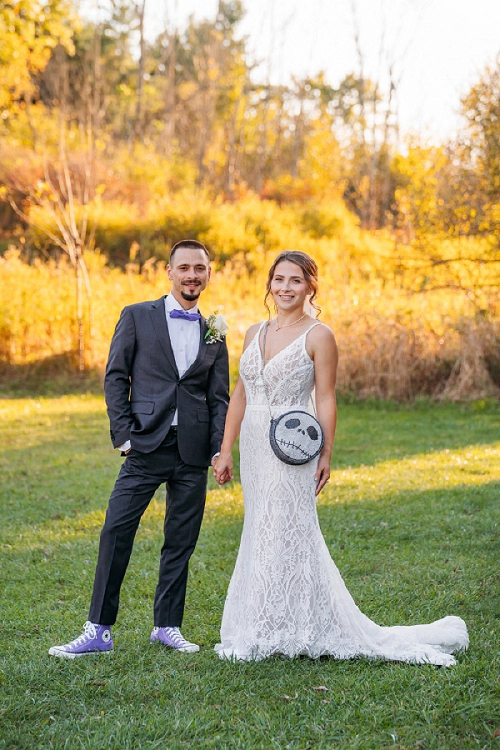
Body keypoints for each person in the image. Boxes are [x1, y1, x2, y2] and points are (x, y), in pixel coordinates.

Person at [213, 250, 468, 665]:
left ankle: (290, 626)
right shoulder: (253, 332)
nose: (285, 288)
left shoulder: (319, 336)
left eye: (295, 280)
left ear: (310, 285)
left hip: (293, 447)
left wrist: (327, 452)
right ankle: (261, 623)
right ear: (269, 284)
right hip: (255, 449)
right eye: (278, 279)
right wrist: (226, 450)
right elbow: (240, 393)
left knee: (288, 528)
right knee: (261, 526)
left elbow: (326, 397)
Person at [49, 240, 230, 658]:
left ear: (208, 273)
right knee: (116, 530)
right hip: (145, 445)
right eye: (183, 267)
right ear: (169, 271)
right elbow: (115, 377)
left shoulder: (216, 327)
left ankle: (167, 626)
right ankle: (98, 630)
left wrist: (219, 448)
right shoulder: (136, 316)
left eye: (199, 268)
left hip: (193, 451)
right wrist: (124, 435)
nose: (191, 275)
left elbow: (218, 395)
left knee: (181, 540)